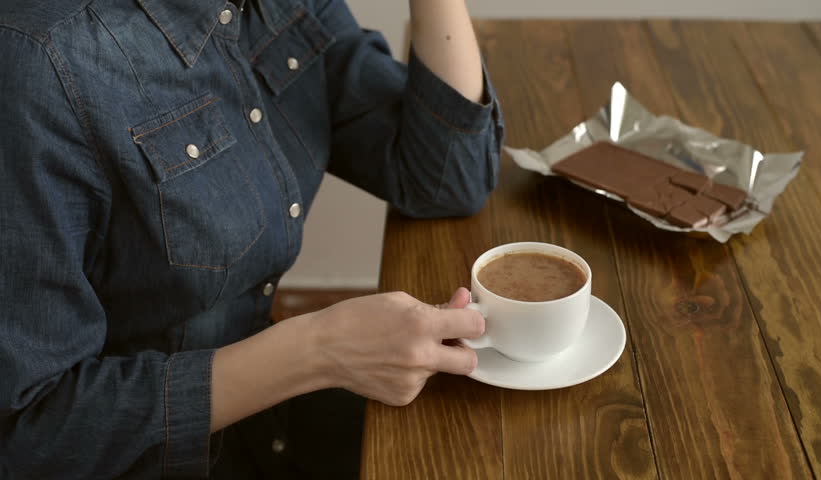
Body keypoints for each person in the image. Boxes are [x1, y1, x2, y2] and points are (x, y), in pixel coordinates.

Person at [0, 0, 503, 478]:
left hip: (267, 423)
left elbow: (445, 178)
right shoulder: (37, 59)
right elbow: (29, 435)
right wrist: (319, 350)